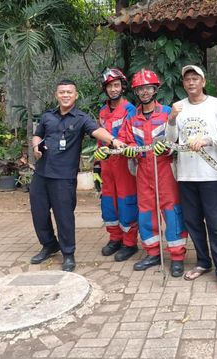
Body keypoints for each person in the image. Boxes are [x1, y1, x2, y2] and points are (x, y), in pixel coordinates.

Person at [30, 79, 124, 271]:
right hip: (41, 173)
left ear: (76, 95)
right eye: (62, 92)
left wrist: (114, 141)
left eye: (69, 92)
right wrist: (35, 146)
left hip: (64, 176)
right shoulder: (47, 116)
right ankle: (49, 244)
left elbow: (97, 131)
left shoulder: (81, 118)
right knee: (38, 213)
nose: (65, 95)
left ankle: (68, 253)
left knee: (64, 216)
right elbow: (38, 134)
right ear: (56, 95)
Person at [166, 65, 217, 292]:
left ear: (203, 82)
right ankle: (203, 262)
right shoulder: (178, 107)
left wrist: (206, 140)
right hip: (185, 175)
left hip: (210, 175)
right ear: (183, 84)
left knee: (216, 223)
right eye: (187, 80)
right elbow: (170, 140)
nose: (191, 83)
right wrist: (172, 119)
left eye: (195, 79)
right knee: (192, 222)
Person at [120, 69, 187, 277]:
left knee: (172, 211)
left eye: (148, 88)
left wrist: (167, 147)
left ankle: (177, 256)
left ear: (155, 89)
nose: (144, 92)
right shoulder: (132, 117)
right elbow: (125, 139)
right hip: (143, 170)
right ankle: (152, 253)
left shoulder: (168, 113)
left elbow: (178, 138)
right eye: (140, 89)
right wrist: (128, 148)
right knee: (146, 212)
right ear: (136, 92)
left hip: (165, 169)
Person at [93, 68, 139, 262]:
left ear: (122, 87)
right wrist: (97, 166)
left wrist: (114, 145)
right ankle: (115, 238)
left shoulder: (130, 110)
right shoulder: (103, 111)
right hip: (106, 164)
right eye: (110, 86)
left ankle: (130, 243)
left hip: (123, 163)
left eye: (117, 85)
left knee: (125, 201)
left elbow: (128, 137)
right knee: (108, 202)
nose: (113, 89)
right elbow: (98, 138)